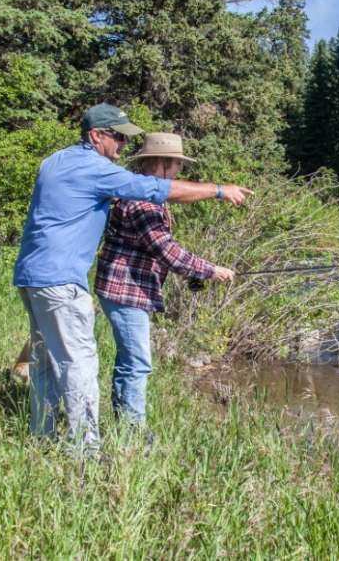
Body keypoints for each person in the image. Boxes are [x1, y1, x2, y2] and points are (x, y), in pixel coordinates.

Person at [13, 104, 251, 451]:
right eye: (118, 137)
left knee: (46, 363)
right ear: (96, 135)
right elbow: (157, 200)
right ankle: (86, 453)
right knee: (79, 365)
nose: (122, 145)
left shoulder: (55, 162)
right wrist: (219, 190)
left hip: (31, 276)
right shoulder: (97, 170)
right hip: (62, 281)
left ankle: (44, 438)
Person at [94, 132, 232, 432]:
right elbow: (165, 249)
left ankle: (125, 428)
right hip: (125, 290)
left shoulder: (142, 194)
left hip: (124, 287)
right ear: (162, 164)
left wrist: (196, 272)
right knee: (137, 363)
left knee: (130, 360)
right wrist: (211, 270)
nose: (180, 171)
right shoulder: (143, 201)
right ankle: (132, 434)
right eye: (177, 165)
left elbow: (161, 250)